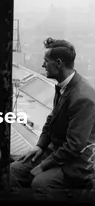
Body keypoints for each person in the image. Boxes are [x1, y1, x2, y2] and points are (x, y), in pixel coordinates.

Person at [10, 37, 95, 190]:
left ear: (59, 63)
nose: (43, 65)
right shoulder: (63, 85)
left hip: (76, 163)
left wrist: (43, 165)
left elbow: (75, 145)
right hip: (56, 152)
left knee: (40, 184)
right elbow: (52, 119)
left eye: (46, 60)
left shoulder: (82, 98)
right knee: (12, 172)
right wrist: (40, 145)